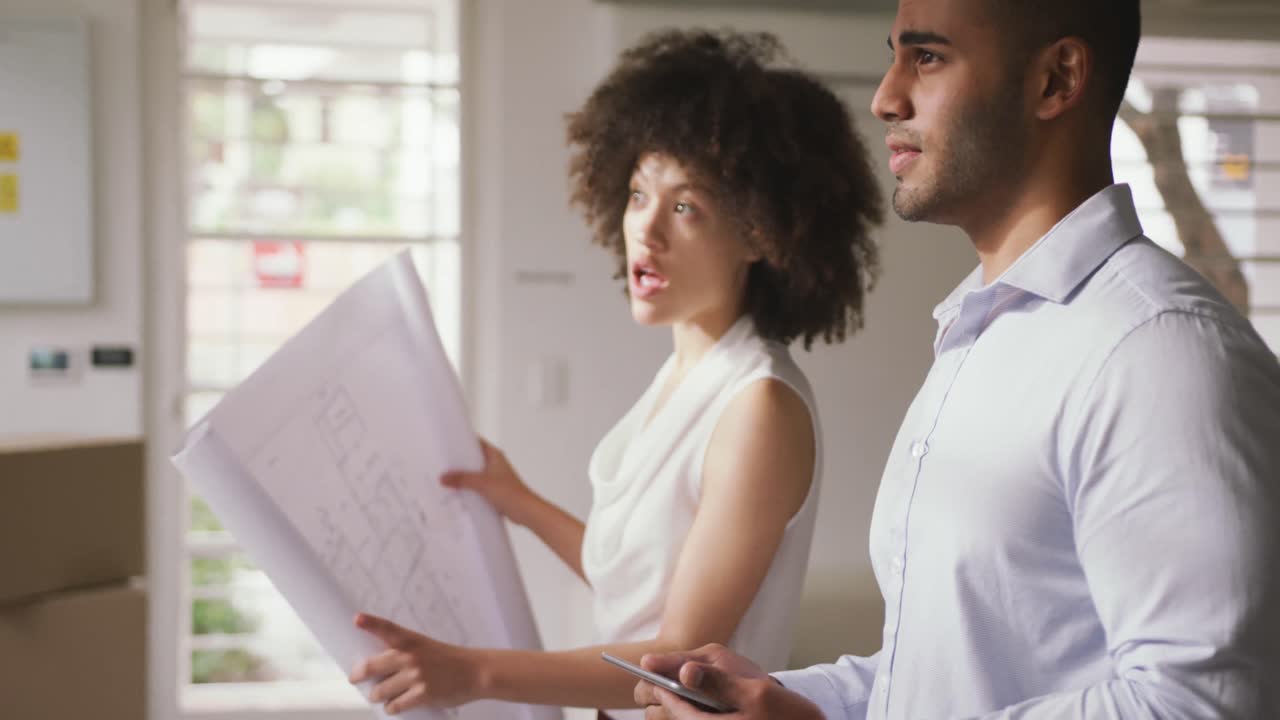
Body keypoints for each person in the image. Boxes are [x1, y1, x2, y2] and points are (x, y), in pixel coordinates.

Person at [635, 1, 1280, 718]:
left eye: (928, 57)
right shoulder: (980, 330)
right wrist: (786, 699)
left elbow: (1201, 705)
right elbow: (936, 672)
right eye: (894, 55)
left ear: (1055, 80)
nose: (885, 96)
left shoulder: (1160, 351)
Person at [347, 29, 884, 718]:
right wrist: (520, 501)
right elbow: (637, 584)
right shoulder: (687, 376)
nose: (646, 230)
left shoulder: (758, 407)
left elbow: (682, 651)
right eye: (637, 194)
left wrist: (473, 672)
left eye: (685, 206)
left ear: (760, 233)